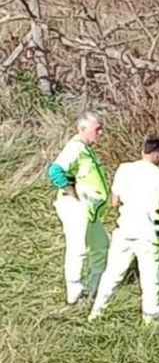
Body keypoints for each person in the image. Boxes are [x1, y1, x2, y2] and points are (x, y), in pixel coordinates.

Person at [88, 137, 159, 324]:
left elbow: (114, 202)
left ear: (142, 151)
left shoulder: (124, 170)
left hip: (125, 231)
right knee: (151, 276)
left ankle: (97, 311)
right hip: (150, 235)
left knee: (112, 273)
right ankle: (151, 319)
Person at [47, 111, 109, 305]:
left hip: (90, 210)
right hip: (76, 206)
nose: (100, 133)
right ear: (82, 129)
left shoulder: (86, 149)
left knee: (101, 246)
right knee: (78, 248)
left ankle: (93, 287)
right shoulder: (75, 148)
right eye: (96, 129)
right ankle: (74, 292)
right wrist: (72, 192)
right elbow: (55, 172)